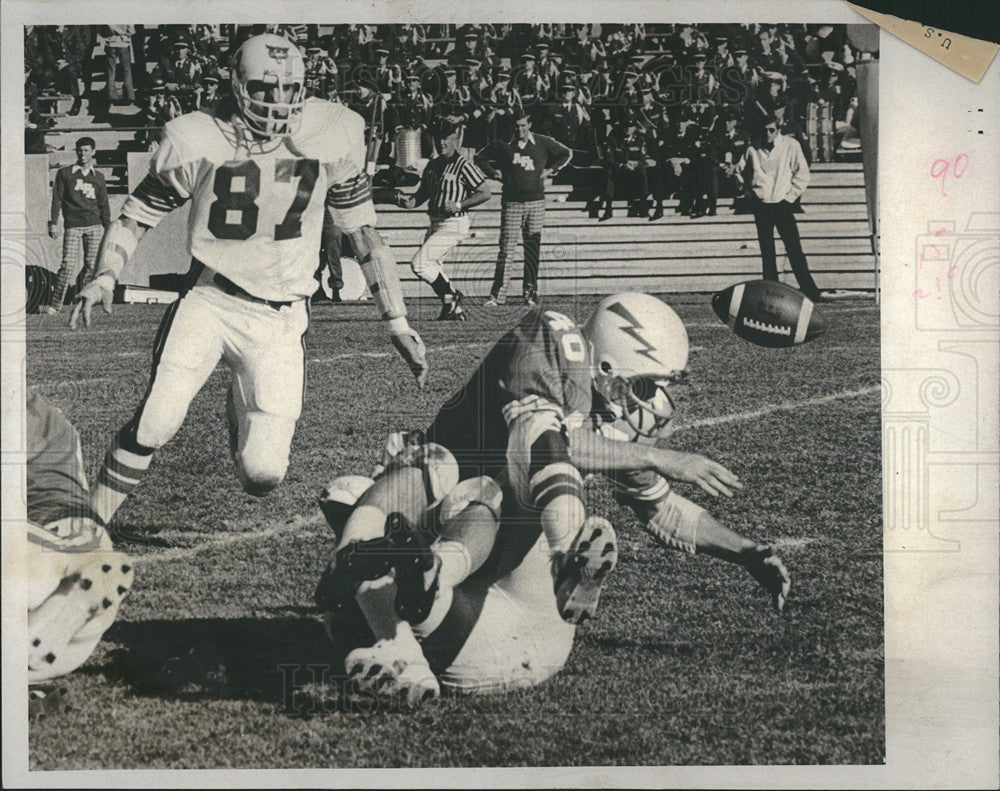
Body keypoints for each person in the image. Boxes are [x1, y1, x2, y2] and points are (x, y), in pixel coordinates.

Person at [315, 293, 791, 703]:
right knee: (394, 485)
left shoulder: (604, 432)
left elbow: (664, 511)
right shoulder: (555, 349)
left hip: (515, 621)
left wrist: (745, 552)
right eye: (648, 385)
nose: (660, 403)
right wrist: (662, 458)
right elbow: (551, 438)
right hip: (468, 631)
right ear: (603, 370)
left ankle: (402, 579)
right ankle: (395, 621)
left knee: (436, 481)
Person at [68, 34, 428, 529]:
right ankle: (88, 526)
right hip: (211, 298)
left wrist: (398, 321)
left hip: (281, 318)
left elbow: (364, 235)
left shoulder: (331, 132)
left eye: (290, 89)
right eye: (264, 87)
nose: (278, 101)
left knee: (262, 474)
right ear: (236, 84)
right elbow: (134, 216)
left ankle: (240, 410)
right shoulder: (198, 136)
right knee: (157, 421)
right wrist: (105, 275)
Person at [24, 388, 133, 714]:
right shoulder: (44, 419)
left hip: (35, 578)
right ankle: (26, 659)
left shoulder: (22, 413)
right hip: (71, 640)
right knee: (94, 558)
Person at [475, 113, 572, 307]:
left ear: (530, 124)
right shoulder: (502, 144)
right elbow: (480, 157)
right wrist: (494, 174)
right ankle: (497, 296)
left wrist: (550, 170)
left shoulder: (542, 143)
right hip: (512, 203)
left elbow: (566, 153)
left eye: (523, 125)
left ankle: (529, 294)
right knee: (506, 250)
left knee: (532, 249)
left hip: (536, 202)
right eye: (517, 126)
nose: (520, 130)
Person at [399, 119, 492, 320]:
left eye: (446, 139)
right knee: (434, 267)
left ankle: (452, 294)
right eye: (438, 138)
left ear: (455, 140)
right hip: (434, 221)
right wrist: (401, 200)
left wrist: (460, 204)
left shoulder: (463, 165)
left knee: (420, 264)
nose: (442, 143)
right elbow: (419, 196)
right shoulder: (433, 165)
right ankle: (453, 309)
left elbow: (485, 192)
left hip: (454, 222)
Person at [735, 113, 822, 301]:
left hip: (783, 205)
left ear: (778, 129)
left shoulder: (791, 146)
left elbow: (803, 174)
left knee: (794, 249)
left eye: (771, 130)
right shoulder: (752, 149)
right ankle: (771, 293)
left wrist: (790, 198)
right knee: (767, 252)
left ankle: (810, 291)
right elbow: (738, 170)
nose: (767, 134)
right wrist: (749, 191)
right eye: (764, 130)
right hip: (762, 205)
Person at [46, 137, 110, 314]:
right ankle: (56, 304)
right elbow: (57, 199)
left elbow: (104, 204)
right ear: (76, 151)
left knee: (91, 265)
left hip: (95, 225)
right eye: (80, 150)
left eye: (87, 150)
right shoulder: (65, 173)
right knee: (67, 264)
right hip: (73, 225)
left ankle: (83, 302)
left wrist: (108, 227)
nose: (83, 154)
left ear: (93, 152)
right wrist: (53, 222)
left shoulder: (98, 177)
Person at [102, 25, 135, 105]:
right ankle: (130, 96)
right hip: (124, 43)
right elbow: (132, 31)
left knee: (111, 71)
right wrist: (124, 33)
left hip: (110, 43)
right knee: (126, 71)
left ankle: (112, 97)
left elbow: (101, 31)